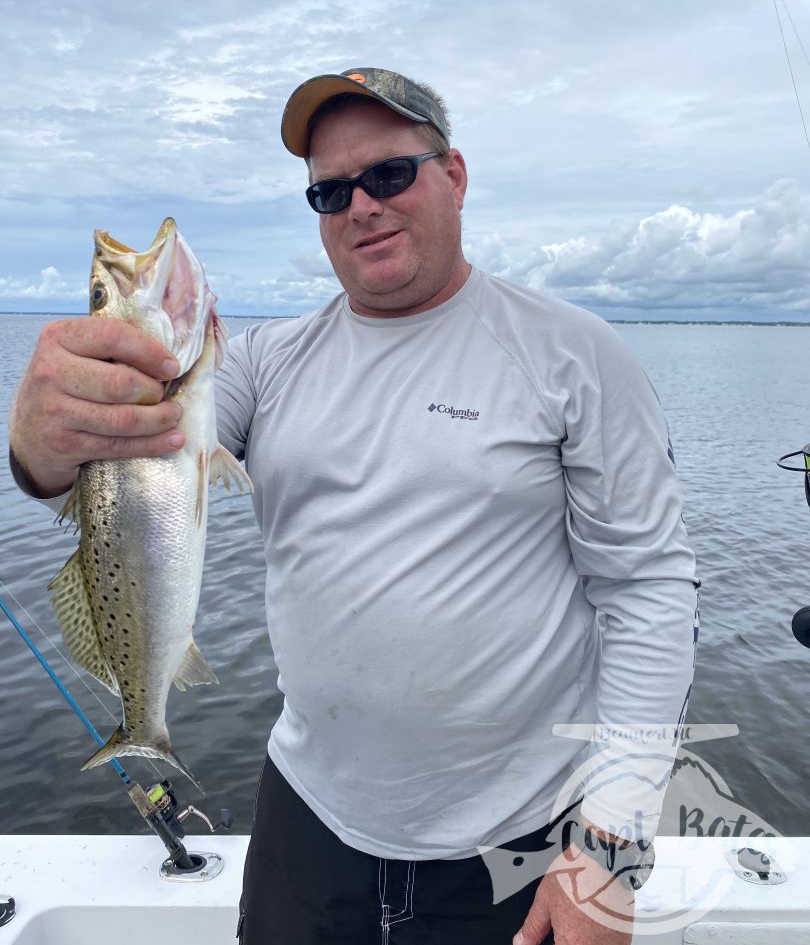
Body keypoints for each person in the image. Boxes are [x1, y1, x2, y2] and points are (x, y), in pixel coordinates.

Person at [8, 67, 699, 945]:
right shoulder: (261, 361)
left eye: (389, 175)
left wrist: (613, 843)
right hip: (309, 823)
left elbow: (650, 595)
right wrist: (37, 442)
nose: (360, 206)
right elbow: (123, 466)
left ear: (454, 175)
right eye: (330, 192)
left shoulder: (574, 354)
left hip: (520, 838)